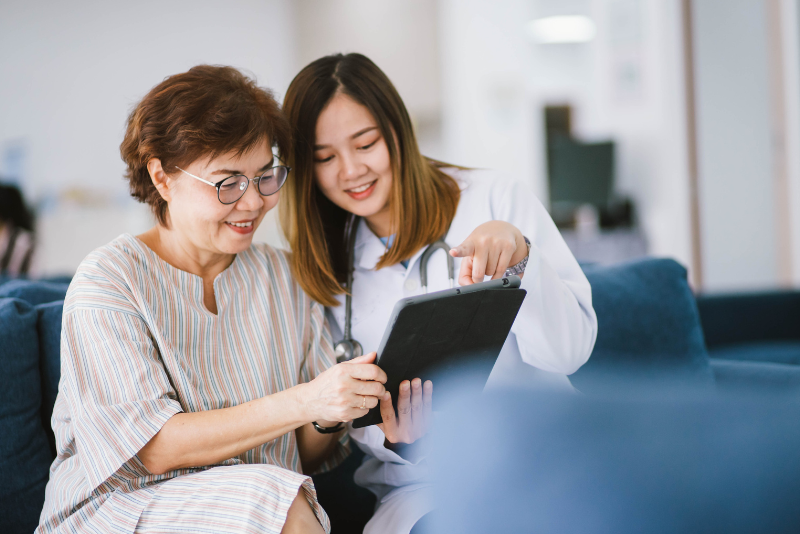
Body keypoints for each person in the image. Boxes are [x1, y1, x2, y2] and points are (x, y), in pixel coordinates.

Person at [36, 65, 389, 534]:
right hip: (121, 511)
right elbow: (152, 448)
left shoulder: (280, 276)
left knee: (275, 493)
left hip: (261, 502)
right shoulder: (109, 280)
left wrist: (328, 413)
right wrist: (306, 399)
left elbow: (302, 451)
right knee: (273, 499)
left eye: (265, 176)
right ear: (162, 177)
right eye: (227, 182)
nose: (253, 203)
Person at [280, 53, 599, 534]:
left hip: (544, 451)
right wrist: (405, 441)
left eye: (365, 143)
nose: (350, 171)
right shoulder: (323, 266)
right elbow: (339, 422)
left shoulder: (494, 197)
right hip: (424, 489)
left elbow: (570, 352)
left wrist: (520, 255)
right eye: (324, 158)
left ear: (396, 132)